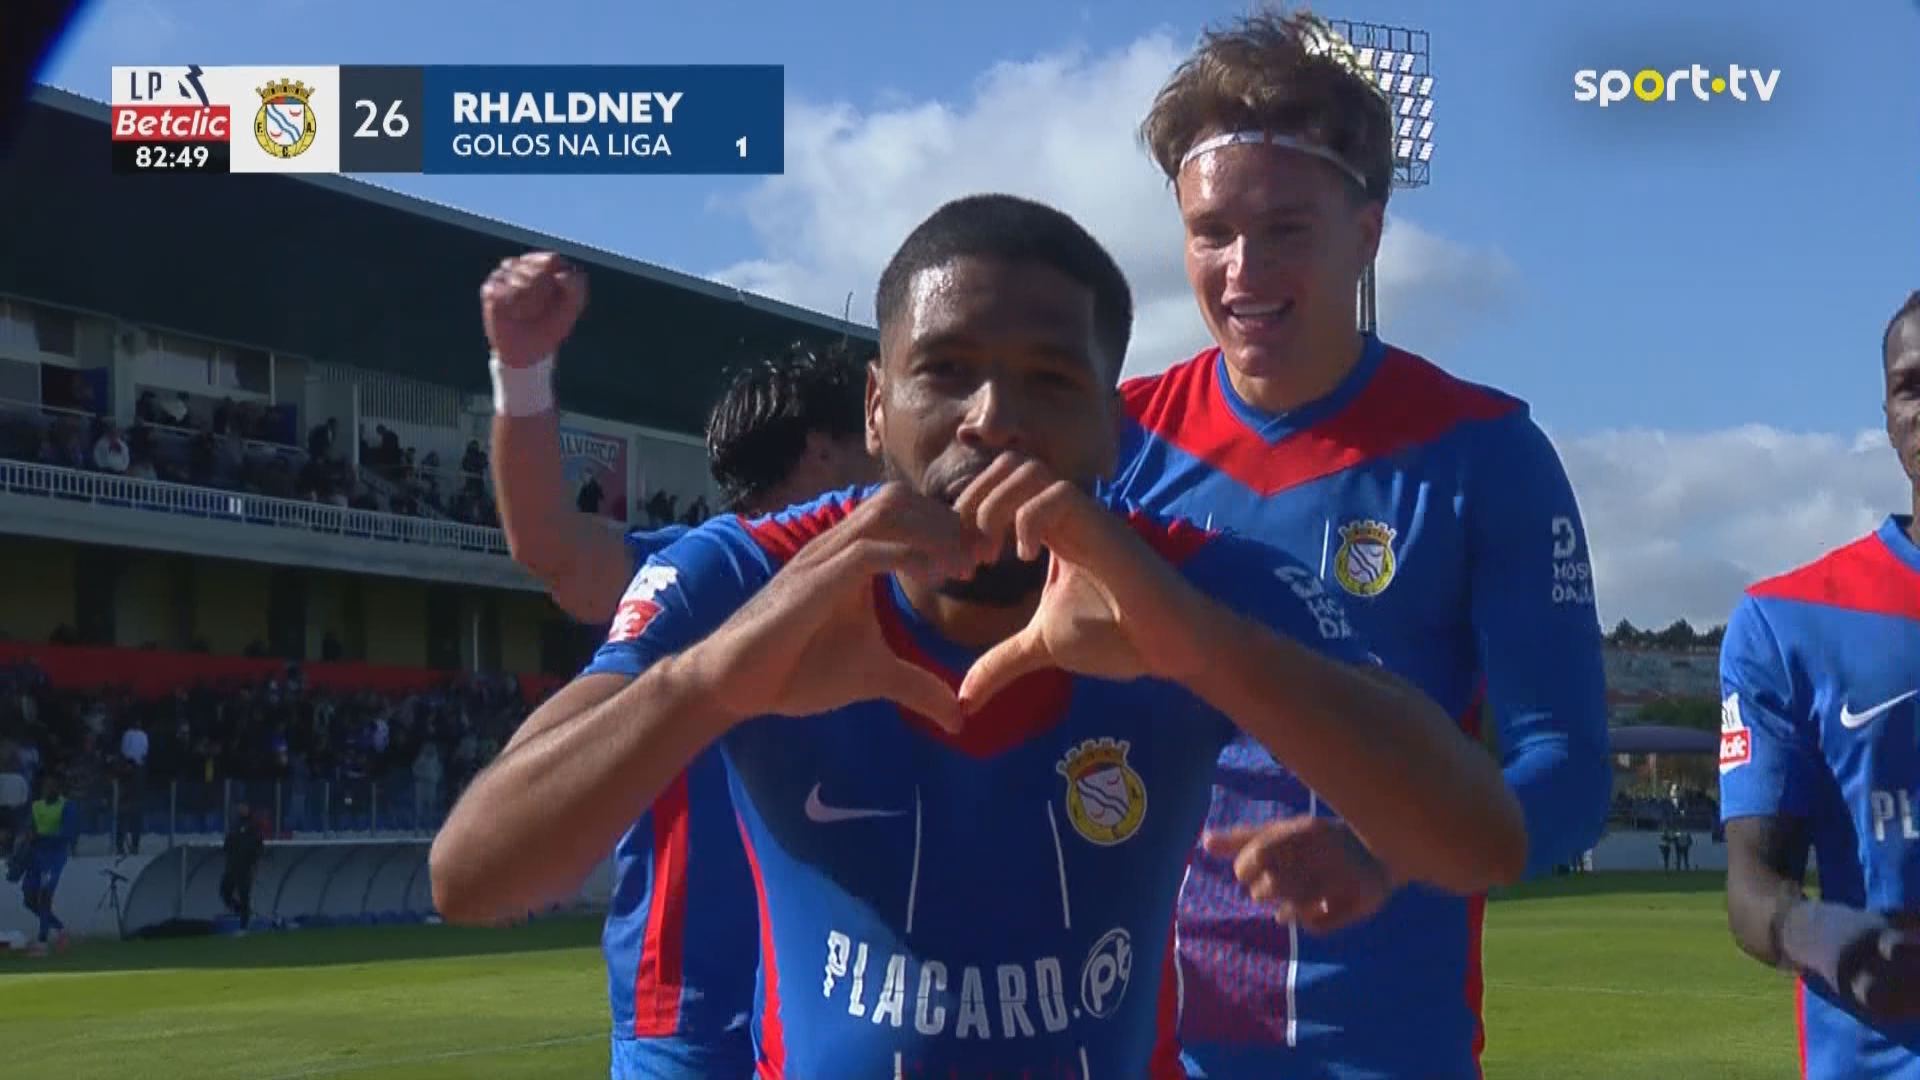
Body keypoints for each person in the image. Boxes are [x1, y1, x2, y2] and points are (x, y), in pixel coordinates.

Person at [432, 193, 1528, 1076]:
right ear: (876, 409)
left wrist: (1198, 648)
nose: (993, 417)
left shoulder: (1189, 584)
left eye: (1049, 379)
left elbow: (1480, 843)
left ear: (1113, 424)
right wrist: (718, 681)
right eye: (946, 371)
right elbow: (473, 876)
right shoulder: (749, 575)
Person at [1112, 12, 1612, 1078]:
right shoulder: (1113, 444)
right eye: (1211, 231)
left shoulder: (1484, 453)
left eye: (1285, 229)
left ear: (1369, 234)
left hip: (1382, 1052)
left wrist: (1391, 854)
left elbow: (1568, 774)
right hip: (1133, 1050)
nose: (1242, 269)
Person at [479, 253, 876, 1080]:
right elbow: (548, 543)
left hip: (839, 1004)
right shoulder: (689, 572)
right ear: (822, 450)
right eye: (871, 442)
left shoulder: (892, 591)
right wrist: (522, 372)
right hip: (695, 1014)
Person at [1719, 289, 1920, 1080]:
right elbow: (1752, 886)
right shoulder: (1789, 623)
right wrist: (1834, 940)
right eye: (1911, 387)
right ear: (1887, 416)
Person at [20, 774, 74, 955]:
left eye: (53, 786)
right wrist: (27, 835)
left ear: (59, 789)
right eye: (47, 786)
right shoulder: (36, 806)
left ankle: (42, 941)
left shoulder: (66, 806)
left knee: (45, 895)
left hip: (54, 858)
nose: (49, 790)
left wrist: (40, 837)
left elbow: (66, 834)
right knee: (29, 899)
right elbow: (29, 827)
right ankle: (60, 928)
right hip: (36, 857)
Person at [220, 803, 265, 931]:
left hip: (245, 867)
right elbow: (227, 846)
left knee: (244, 895)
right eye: (240, 808)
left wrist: (255, 866)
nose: (241, 809)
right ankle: (241, 910)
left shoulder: (253, 827)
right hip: (232, 866)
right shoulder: (234, 826)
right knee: (225, 891)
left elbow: (259, 848)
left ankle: (244, 925)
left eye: (244, 807)